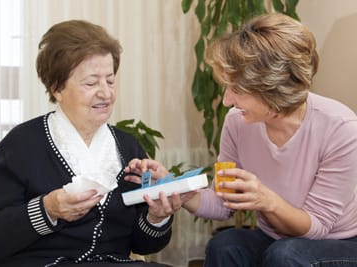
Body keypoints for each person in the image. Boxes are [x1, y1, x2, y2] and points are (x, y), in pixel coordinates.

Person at [125, 13, 357, 267]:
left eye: (237, 89)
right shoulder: (238, 122)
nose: (226, 100)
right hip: (276, 239)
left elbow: (317, 228)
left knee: (286, 254)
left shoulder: (340, 127)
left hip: (340, 241)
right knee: (226, 245)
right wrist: (180, 191)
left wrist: (267, 200)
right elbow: (223, 203)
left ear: (271, 87)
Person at [0, 20, 179, 267]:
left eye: (110, 81)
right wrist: (48, 209)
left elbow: (143, 246)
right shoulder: (21, 145)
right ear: (57, 88)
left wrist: (156, 217)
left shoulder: (127, 147)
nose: (105, 93)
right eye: (91, 83)